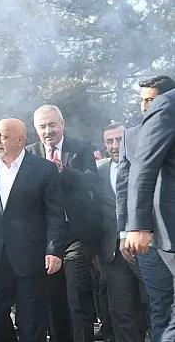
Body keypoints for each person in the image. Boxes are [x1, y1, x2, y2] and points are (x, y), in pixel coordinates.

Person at [0, 118, 67, 342]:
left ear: (20, 140)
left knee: (31, 318)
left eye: (3, 136)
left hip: (31, 257)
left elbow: (55, 214)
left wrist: (54, 250)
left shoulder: (43, 169)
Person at [26, 104, 100, 342]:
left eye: (52, 125)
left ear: (62, 124)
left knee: (78, 298)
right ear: (36, 130)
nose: (48, 131)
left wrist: (63, 171)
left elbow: (92, 180)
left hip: (76, 235)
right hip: (45, 238)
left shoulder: (81, 147)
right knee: (53, 301)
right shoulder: (29, 153)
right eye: (42, 126)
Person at [117, 75, 175, 342]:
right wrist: (127, 230)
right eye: (142, 101)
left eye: (149, 100)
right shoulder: (130, 136)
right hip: (146, 240)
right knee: (160, 305)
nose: (144, 107)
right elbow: (126, 185)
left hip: (168, 231)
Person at [95, 123, 147, 342]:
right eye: (110, 141)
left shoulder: (144, 164)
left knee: (154, 304)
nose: (115, 145)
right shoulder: (98, 170)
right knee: (120, 310)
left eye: (120, 139)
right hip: (112, 253)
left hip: (144, 248)